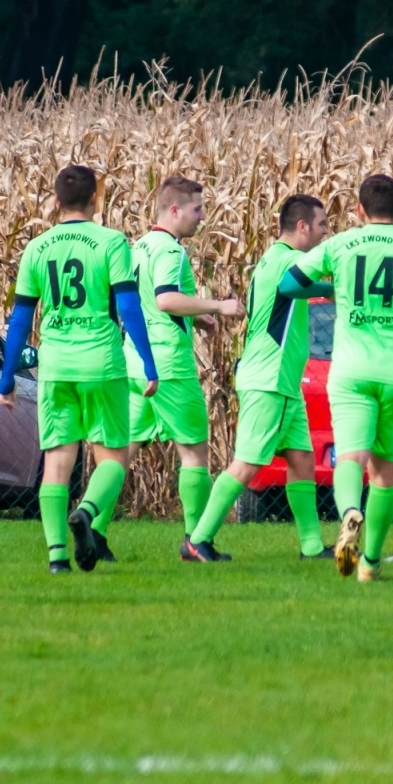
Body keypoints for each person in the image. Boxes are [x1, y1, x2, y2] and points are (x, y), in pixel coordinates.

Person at [279, 174, 393, 582]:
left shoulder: (342, 243)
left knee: (350, 456)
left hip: (350, 370)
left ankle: (349, 513)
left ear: (359, 209)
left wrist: (336, 288)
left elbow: (288, 283)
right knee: (384, 471)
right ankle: (371, 563)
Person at [0, 165, 160, 573]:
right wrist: (149, 361)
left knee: (56, 462)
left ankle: (56, 558)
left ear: (55, 202)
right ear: (95, 201)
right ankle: (87, 512)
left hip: (55, 365)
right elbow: (127, 306)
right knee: (111, 458)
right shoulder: (111, 242)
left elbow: (19, 320)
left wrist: (6, 377)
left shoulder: (38, 247)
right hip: (101, 362)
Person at [185, 193, 334, 561]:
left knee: (301, 459)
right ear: (302, 227)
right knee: (247, 463)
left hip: (273, 379)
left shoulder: (272, 257)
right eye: (322, 225)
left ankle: (312, 546)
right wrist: (336, 287)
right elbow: (291, 287)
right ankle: (197, 540)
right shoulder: (293, 261)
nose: (326, 232)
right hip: (272, 379)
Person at [119, 176, 245, 560]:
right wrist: (216, 306)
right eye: (196, 209)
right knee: (194, 453)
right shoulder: (172, 252)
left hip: (135, 361)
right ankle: (197, 540)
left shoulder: (139, 246)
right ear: (174, 211)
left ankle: (92, 525)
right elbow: (166, 300)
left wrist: (197, 319)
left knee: (122, 451)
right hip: (169, 365)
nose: (202, 218)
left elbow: (143, 300)